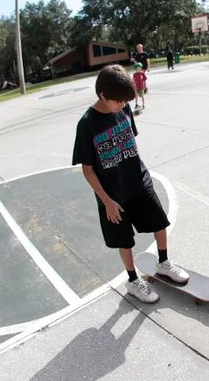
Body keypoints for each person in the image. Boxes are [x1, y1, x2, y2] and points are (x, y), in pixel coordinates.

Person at [72, 64, 189, 304]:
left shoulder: (124, 107)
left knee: (159, 222)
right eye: (118, 101)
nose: (123, 106)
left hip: (138, 179)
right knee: (124, 240)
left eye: (126, 101)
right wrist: (107, 202)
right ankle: (133, 280)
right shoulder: (87, 124)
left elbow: (129, 142)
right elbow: (87, 168)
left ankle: (164, 262)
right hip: (113, 195)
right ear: (102, 95)